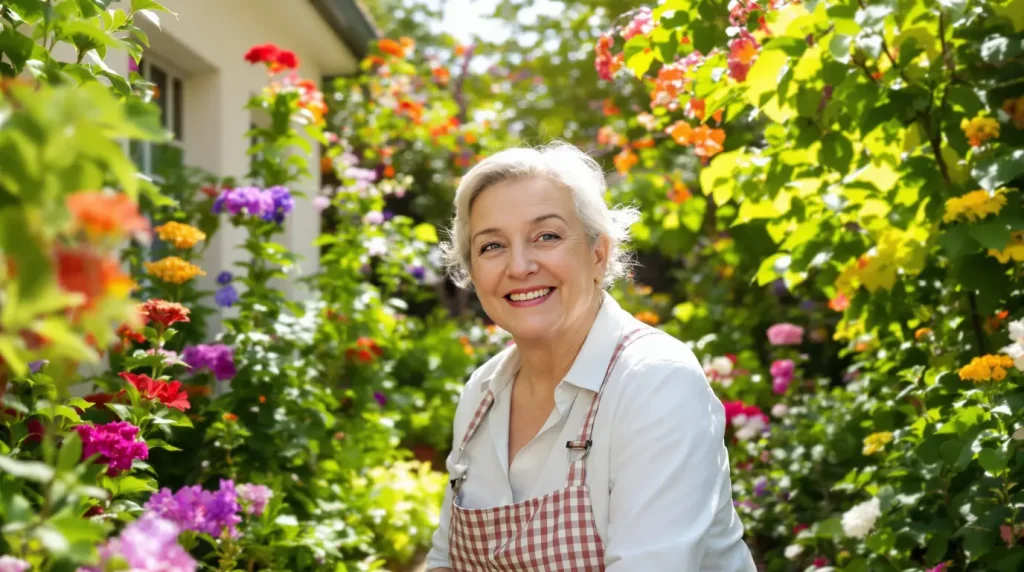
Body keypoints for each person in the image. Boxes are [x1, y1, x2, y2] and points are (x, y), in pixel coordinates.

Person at [426, 142, 756, 571]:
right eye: (492, 246)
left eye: (546, 236)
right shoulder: (482, 394)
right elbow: (444, 561)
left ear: (598, 253)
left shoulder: (654, 381)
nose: (520, 265)